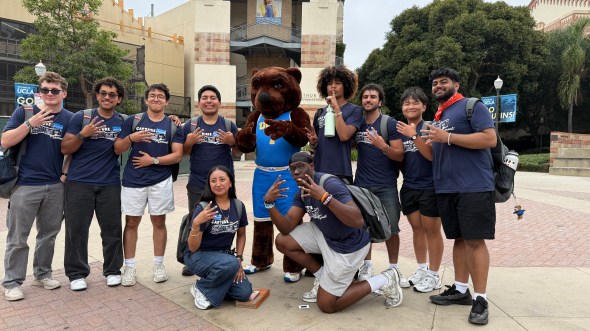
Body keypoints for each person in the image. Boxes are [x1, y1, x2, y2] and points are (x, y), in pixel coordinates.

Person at [264, 151, 403, 313]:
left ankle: (386, 278)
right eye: (292, 168)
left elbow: (357, 220)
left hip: (349, 246)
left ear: (312, 166)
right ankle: (323, 277)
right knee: (283, 241)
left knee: (327, 305)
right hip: (326, 235)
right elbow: (286, 228)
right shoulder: (302, 192)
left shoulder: (329, 184)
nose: (296, 172)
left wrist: (325, 198)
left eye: (300, 167)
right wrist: (269, 203)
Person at [422, 68, 497, 325]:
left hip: (474, 186)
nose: (438, 86)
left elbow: (489, 138)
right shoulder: (440, 115)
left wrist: (448, 137)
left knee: (475, 241)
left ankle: (481, 299)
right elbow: (435, 155)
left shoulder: (471, 106)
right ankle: (461, 289)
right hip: (447, 187)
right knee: (459, 239)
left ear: (456, 84)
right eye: (434, 83)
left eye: (444, 82)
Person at [1, 72, 74, 301]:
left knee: (49, 234)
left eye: (54, 90)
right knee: (18, 237)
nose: (49, 94)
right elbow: (5, 141)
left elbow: (72, 149)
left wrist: (64, 175)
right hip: (24, 185)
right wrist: (29, 124)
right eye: (45, 90)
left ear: (64, 93)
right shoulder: (25, 112)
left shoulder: (71, 118)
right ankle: (12, 282)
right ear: (39, 92)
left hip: (55, 185)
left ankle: (42, 273)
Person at [114, 83, 184, 287]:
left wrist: (152, 160)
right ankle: (129, 267)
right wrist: (131, 138)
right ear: (146, 100)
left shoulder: (172, 125)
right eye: (152, 96)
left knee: (159, 223)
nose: (156, 99)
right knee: (131, 223)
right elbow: (118, 148)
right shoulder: (133, 121)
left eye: (160, 96)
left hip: (160, 180)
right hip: (133, 180)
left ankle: (159, 264)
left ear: (166, 101)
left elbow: (178, 155)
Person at [60, 77, 127, 291]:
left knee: (112, 229)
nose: (107, 97)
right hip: (79, 183)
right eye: (104, 93)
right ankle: (77, 273)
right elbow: (65, 148)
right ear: (97, 96)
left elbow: (151, 119)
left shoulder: (123, 121)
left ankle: (113, 270)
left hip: (110, 183)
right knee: (76, 230)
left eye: (112, 94)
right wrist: (83, 134)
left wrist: (173, 119)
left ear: (119, 99)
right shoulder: (82, 117)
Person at [353, 83, 407, 289]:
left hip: (386, 186)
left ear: (380, 101)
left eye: (373, 97)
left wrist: (381, 145)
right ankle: (366, 265)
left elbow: (399, 154)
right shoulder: (357, 124)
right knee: (364, 228)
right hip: (362, 186)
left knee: (392, 229)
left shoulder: (389, 124)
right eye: (365, 97)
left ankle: (393, 267)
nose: (368, 99)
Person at [181, 85, 238, 276]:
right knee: (195, 220)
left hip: (224, 184)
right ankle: (192, 258)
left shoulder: (228, 125)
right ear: (199, 103)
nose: (209, 100)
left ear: (219, 102)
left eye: (213, 97)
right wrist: (190, 141)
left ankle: (224, 254)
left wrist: (232, 142)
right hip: (198, 183)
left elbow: (238, 152)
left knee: (225, 220)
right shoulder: (190, 125)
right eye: (204, 97)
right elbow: (184, 153)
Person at [395, 87, 444, 293]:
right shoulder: (399, 131)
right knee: (417, 229)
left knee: (432, 231)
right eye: (407, 103)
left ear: (424, 106)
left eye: (415, 102)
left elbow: (432, 156)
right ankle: (421, 269)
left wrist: (414, 135)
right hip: (409, 187)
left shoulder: (430, 128)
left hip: (430, 188)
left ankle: (434, 275)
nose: (411, 106)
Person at [183, 166, 252, 310]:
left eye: (222, 179)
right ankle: (201, 288)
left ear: (230, 183)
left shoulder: (238, 206)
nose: (218, 184)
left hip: (225, 258)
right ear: (209, 184)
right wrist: (196, 224)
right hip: (198, 256)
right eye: (213, 181)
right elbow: (193, 248)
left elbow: (241, 234)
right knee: (229, 264)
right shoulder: (204, 207)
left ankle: (215, 283)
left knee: (244, 293)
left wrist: (238, 258)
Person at [307, 65, 362, 185]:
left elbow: (344, 136)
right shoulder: (320, 112)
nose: (333, 86)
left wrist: (336, 108)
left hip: (341, 171)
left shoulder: (355, 110)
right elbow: (315, 146)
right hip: (319, 171)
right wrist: (313, 143)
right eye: (329, 83)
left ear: (346, 86)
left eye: (338, 83)